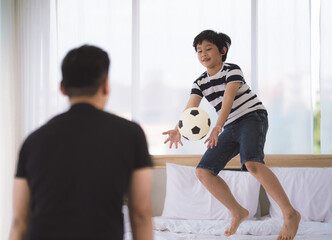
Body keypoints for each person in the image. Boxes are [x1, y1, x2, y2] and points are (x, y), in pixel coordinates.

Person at [163, 30, 301, 240]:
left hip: (251, 117)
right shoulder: (200, 82)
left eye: (208, 48)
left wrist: (218, 125)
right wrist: (177, 128)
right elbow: (190, 108)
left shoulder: (232, 70)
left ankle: (290, 213)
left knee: (252, 163)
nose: (203, 54)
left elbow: (228, 99)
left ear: (222, 51)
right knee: (203, 172)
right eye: (199, 50)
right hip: (229, 126)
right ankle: (238, 211)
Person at [9, 45, 153, 240]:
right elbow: (141, 213)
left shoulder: (33, 141)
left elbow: (19, 220)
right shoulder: (131, 134)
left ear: (62, 87)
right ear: (105, 85)